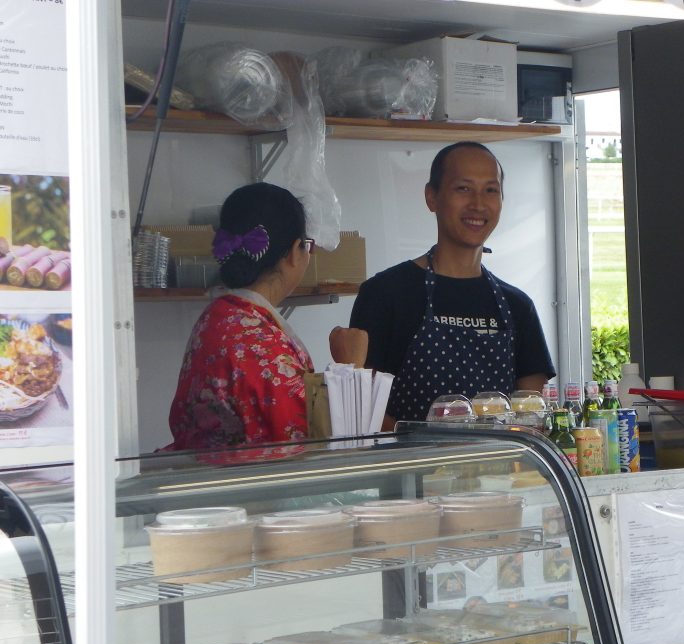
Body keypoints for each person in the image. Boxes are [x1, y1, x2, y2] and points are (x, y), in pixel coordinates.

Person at [350, 141, 555, 426]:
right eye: (463, 188)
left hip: (499, 456)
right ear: (431, 197)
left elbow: (530, 416)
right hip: (407, 454)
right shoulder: (385, 294)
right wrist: (427, 448)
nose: (478, 204)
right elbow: (362, 410)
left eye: (491, 190)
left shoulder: (518, 307)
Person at [167, 182, 315, 450]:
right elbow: (299, 439)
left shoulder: (215, 317)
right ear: (295, 252)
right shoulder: (263, 343)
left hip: (205, 470)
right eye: (307, 246)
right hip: (254, 474)